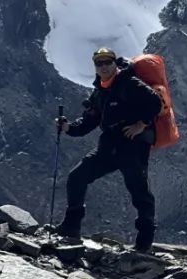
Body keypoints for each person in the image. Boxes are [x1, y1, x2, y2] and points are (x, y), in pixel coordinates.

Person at [56, 47, 164, 251]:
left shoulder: (130, 84)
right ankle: (71, 227)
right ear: (95, 67)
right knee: (77, 177)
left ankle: (144, 242)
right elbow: (89, 121)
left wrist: (142, 124)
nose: (104, 66)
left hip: (132, 146)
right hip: (108, 147)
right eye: (99, 63)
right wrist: (68, 128)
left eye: (107, 62)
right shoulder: (100, 91)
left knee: (139, 192)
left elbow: (155, 102)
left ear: (115, 63)